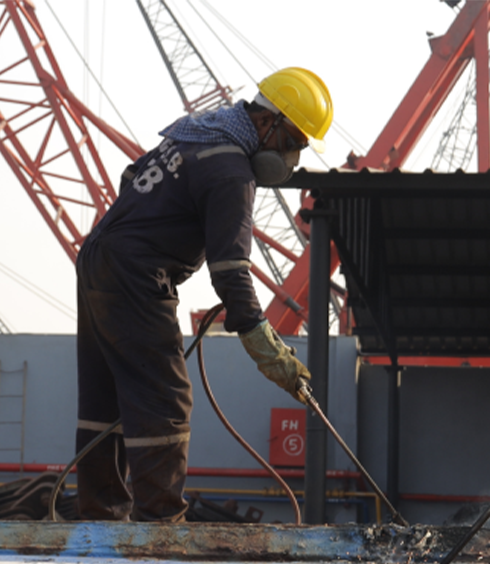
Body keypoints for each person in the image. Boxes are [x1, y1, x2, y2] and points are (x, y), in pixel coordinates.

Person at [75, 67, 333, 523]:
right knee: (164, 397)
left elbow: (132, 176)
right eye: (292, 142)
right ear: (266, 122)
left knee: (104, 395)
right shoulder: (230, 171)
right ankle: (160, 523)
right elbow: (232, 272)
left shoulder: (194, 135)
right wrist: (266, 347)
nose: (291, 158)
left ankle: (100, 515)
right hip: (137, 273)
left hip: (98, 256)